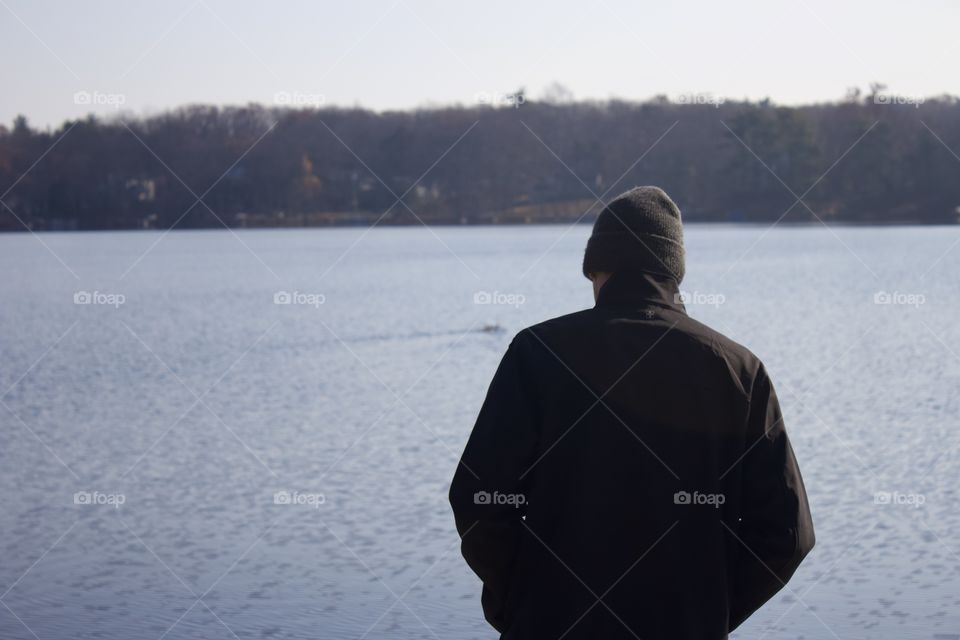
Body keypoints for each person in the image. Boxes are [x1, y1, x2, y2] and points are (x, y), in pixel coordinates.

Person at [449, 186, 814, 639]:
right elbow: (787, 535)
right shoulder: (738, 370)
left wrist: (523, 605)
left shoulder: (538, 354)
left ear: (596, 268)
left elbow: (479, 500)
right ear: (673, 272)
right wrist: (707, 613)